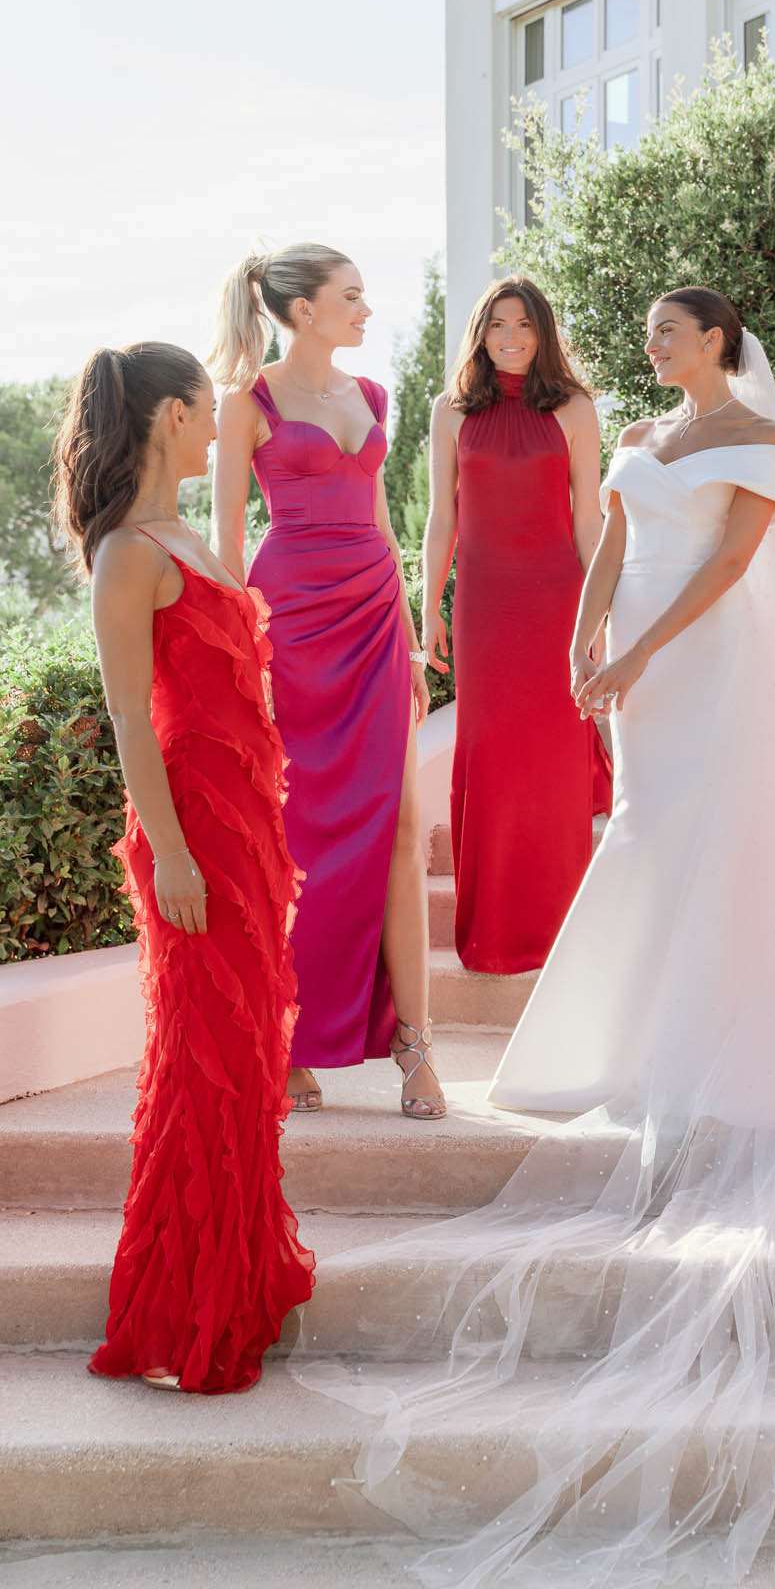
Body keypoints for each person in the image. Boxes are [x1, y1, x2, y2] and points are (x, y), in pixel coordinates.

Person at [290, 288, 775, 1588]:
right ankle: (638, 1049)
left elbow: (730, 566)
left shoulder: (757, 442)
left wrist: (642, 654)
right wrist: (586, 634)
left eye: (673, 333)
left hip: (703, 665)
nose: (655, 347)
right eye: (653, 338)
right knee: (647, 846)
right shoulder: (642, 432)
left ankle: (711, 1053)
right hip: (628, 666)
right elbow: (611, 536)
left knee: (708, 851)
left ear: (721, 344)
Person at [53, 343, 314, 1393]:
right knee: (204, 1063)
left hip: (247, 829)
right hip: (191, 835)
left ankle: (238, 1290)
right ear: (169, 416)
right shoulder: (126, 552)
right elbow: (130, 716)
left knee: (246, 1062)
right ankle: (186, 1309)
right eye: (208, 411)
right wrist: (170, 853)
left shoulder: (195, 538)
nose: (221, 429)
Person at [210, 245, 443, 1120]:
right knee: (293, 829)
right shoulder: (248, 403)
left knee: (399, 822)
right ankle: (291, 1035)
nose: (365, 310)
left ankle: (415, 1045)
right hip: (292, 621)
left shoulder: (372, 395)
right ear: (302, 309)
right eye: (351, 297)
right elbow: (230, 543)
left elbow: (384, 525)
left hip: (375, 618)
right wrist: (242, 654)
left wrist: (413, 644)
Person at [422, 278, 611, 974]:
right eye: (498, 324)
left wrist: (600, 609)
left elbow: (588, 517)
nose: (510, 336)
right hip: (481, 606)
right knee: (490, 755)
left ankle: (560, 931)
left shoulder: (574, 408)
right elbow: (442, 517)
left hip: (557, 601)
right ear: (480, 331)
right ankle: (494, 932)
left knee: (553, 761)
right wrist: (429, 606)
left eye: (524, 325)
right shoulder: (449, 411)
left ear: (543, 334)